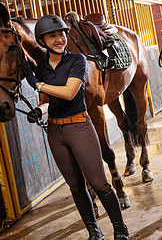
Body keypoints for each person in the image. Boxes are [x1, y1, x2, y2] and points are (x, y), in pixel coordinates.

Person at [22, 14, 129, 240]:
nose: (59, 39)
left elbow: (70, 92)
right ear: (42, 41)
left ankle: (120, 231)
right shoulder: (42, 70)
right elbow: (47, 102)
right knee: (76, 187)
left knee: (99, 183)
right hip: (55, 132)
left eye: (61, 34)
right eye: (52, 36)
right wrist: (38, 111)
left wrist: (38, 84)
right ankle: (95, 233)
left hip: (79, 126)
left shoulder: (77, 60)